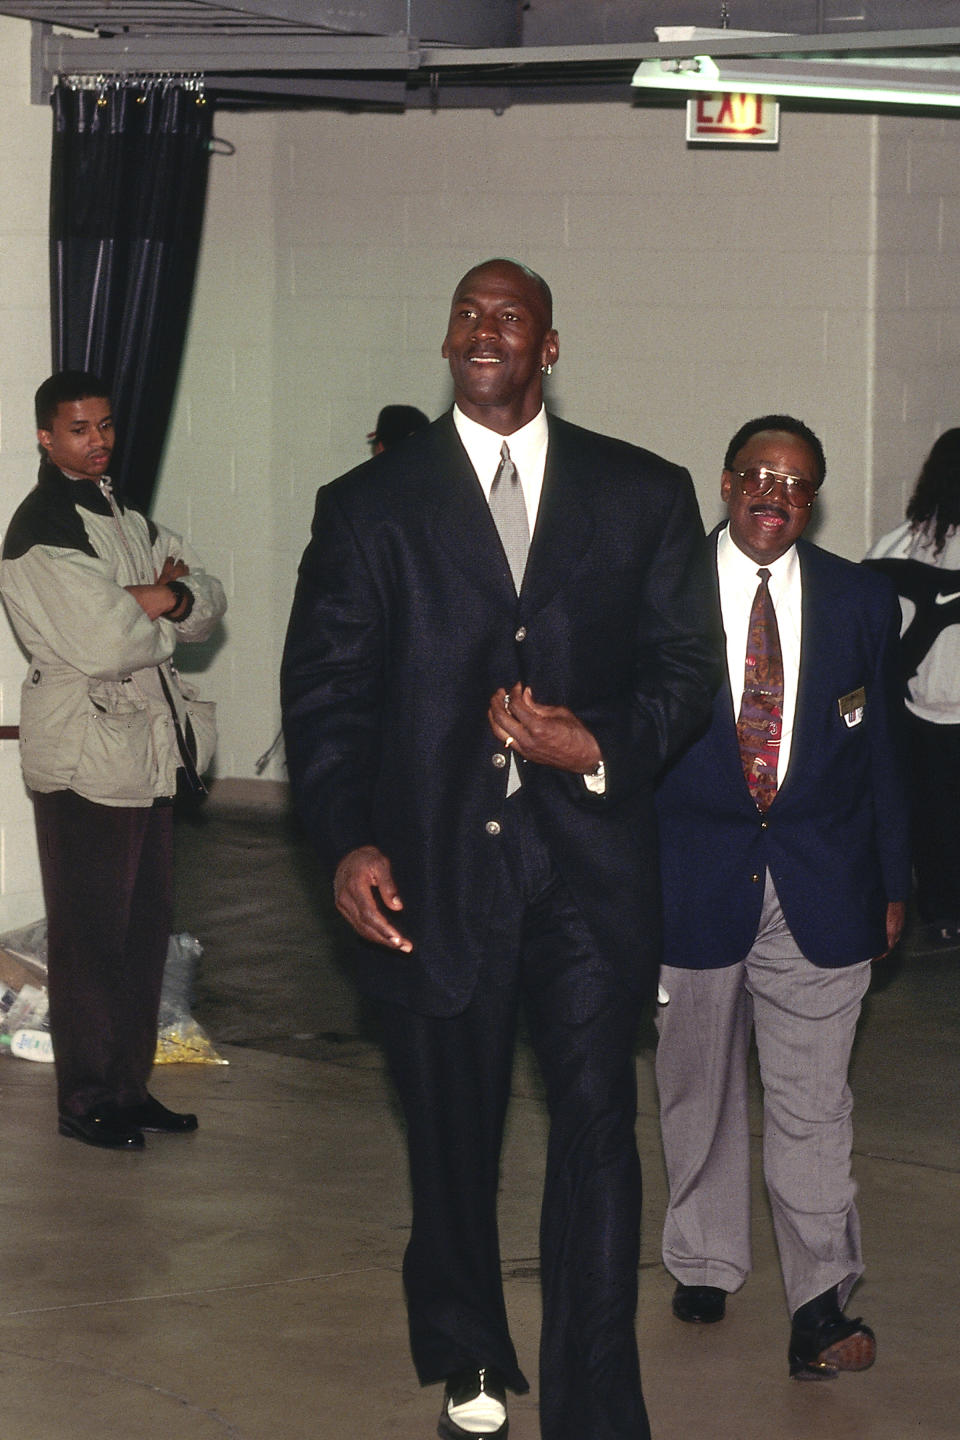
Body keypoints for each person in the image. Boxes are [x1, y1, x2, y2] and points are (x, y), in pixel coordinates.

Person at [281, 258, 719, 1440]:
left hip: (588, 874)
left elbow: (688, 677)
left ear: (549, 346)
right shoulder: (370, 504)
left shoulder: (644, 494)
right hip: (433, 875)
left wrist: (599, 738)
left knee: (595, 1140)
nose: (485, 331)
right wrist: (345, 841)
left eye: (508, 316)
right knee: (454, 1140)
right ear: (448, 338)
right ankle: (471, 1352)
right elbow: (325, 697)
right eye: (469, 314)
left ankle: (594, 1405)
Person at [654, 415, 910, 1380]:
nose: (776, 494)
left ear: (815, 500)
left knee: (813, 1103)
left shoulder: (857, 600)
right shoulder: (663, 589)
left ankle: (819, 1302)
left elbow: (881, 752)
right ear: (725, 484)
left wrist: (893, 881)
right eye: (759, 474)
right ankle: (706, 1255)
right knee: (698, 1083)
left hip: (824, 881)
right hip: (690, 878)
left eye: (798, 483)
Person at [0, 371, 227, 1151]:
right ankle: (87, 1098)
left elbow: (210, 596)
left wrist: (155, 595)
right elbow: (103, 642)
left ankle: (129, 1090)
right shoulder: (41, 528)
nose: (95, 441)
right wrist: (162, 599)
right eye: (77, 430)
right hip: (86, 759)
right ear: (44, 436)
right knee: (91, 935)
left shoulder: (123, 516)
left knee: (142, 931)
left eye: (103, 427)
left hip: (148, 752)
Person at [864, 429, 960, 944]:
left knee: (929, 819)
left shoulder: (894, 543)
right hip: (936, 711)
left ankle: (943, 912)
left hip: (912, 711)